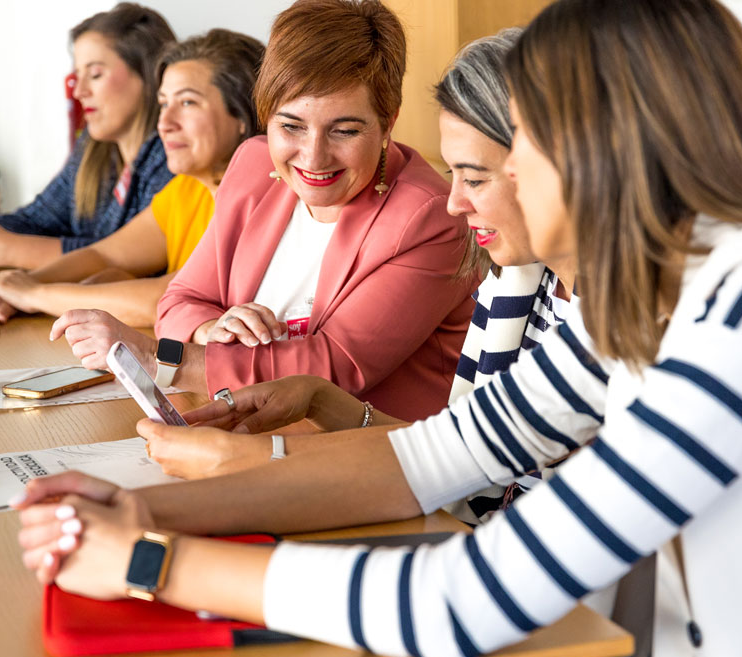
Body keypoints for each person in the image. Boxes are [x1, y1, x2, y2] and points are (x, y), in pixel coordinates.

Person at [16, 1, 742, 657]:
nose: (465, 197)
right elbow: (432, 456)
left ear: (603, 147)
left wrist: (149, 559)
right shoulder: (654, 281)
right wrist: (144, 508)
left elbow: (465, 597)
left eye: (515, 146)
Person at [125, 29, 569, 528]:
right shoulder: (518, 284)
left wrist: (234, 452)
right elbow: (465, 453)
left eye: (475, 178)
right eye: (291, 125)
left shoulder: (436, 222)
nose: (454, 202)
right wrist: (313, 399)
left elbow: (473, 484)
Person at [50, 0, 475, 422]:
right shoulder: (254, 164)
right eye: (290, 126)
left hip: (371, 460)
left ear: (388, 123)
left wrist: (158, 356)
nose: (313, 157)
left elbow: (333, 370)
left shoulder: (431, 217)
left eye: (345, 130)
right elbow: (181, 299)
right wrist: (208, 332)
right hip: (243, 431)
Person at [0, 29, 264, 329]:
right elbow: (105, 255)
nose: (166, 123)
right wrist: (8, 289)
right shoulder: (188, 186)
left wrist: (33, 294)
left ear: (243, 114)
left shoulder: (260, 193)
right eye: (164, 104)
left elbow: (164, 301)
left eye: (188, 102)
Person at [0, 3, 174, 272]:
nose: (79, 91)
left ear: (150, 76)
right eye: (76, 76)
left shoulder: (172, 154)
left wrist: (2, 248)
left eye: (96, 74)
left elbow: (125, 255)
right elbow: (38, 218)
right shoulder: (93, 146)